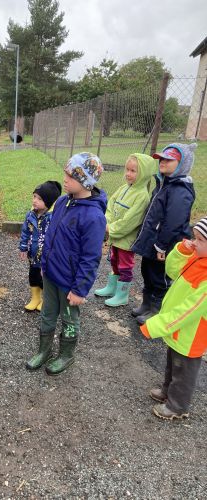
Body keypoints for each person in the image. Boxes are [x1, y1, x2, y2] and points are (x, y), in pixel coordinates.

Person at [26, 152, 106, 375]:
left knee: (70, 319)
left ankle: (66, 354)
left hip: (70, 283)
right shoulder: (62, 202)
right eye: (65, 173)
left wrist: (80, 289)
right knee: (48, 313)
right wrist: (44, 263)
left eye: (70, 176)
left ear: (85, 180)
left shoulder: (93, 217)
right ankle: (44, 350)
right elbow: (51, 235)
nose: (65, 179)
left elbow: (91, 258)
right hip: (51, 275)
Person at [140, 216, 207, 420]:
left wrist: (156, 325)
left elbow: (188, 311)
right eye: (194, 237)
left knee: (183, 372)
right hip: (179, 331)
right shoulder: (197, 259)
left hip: (190, 334)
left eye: (200, 240)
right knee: (172, 363)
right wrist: (182, 251)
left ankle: (178, 407)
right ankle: (167, 392)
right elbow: (171, 270)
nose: (193, 242)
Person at [131, 143, 196, 325]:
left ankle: (158, 311)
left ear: (182, 164)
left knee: (160, 276)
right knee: (147, 271)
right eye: (161, 159)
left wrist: (162, 246)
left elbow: (173, 222)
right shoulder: (163, 185)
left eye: (169, 160)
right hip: (153, 241)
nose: (163, 162)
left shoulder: (180, 191)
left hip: (165, 244)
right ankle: (147, 303)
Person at [94, 153, 156, 306]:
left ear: (144, 173)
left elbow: (130, 221)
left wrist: (110, 228)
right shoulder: (123, 188)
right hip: (115, 236)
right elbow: (111, 204)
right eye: (127, 170)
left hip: (127, 240)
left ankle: (122, 295)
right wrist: (106, 221)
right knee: (114, 260)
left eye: (133, 171)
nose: (128, 174)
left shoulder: (142, 196)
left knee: (125, 266)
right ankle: (112, 287)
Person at [19, 180, 62, 312]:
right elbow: (25, 231)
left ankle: (45, 300)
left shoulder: (53, 218)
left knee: (44, 279)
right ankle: (35, 298)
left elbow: (56, 237)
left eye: (39, 199)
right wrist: (23, 247)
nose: (35, 201)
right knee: (33, 276)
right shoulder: (30, 214)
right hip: (33, 254)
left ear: (48, 202)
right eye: (34, 197)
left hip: (46, 256)